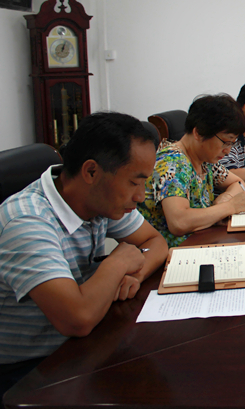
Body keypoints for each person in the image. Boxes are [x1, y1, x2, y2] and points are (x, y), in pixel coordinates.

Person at [0, 112, 169, 394]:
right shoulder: (27, 221)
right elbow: (76, 320)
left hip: (86, 342)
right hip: (28, 369)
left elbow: (155, 241)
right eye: (134, 182)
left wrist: (136, 275)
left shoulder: (99, 199)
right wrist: (118, 263)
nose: (140, 196)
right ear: (91, 172)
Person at [138, 94, 245, 248]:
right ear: (199, 133)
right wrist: (230, 207)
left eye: (232, 144)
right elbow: (179, 222)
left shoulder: (205, 160)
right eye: (225, 142)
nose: (228, 151)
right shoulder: (173, 163)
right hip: (174, 254)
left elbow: (238, 183)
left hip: (202, 242)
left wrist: (225, 199)